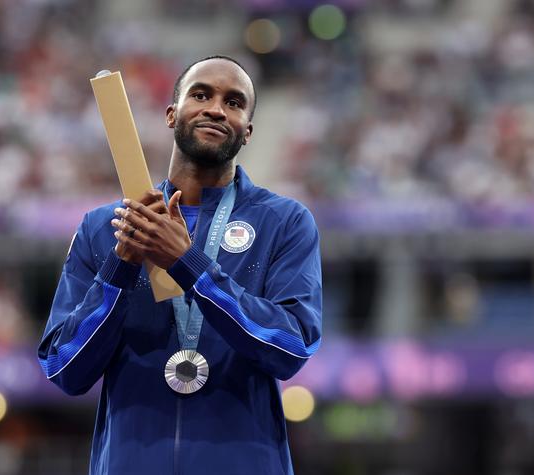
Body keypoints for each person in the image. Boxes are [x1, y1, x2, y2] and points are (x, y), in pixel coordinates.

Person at [38, 55, 322, 475]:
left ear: (248, 131)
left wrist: (189, 265)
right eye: (201, 94)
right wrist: (122, 265)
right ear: (171, 114)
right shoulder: (106, 228)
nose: (215, 109)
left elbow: (292, 347)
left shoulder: (284, 222)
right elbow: (64, 367)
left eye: (234, 102)